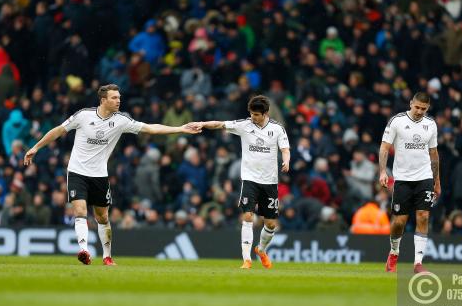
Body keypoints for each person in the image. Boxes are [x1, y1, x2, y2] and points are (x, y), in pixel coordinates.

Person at [24, 84, 199, 265]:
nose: (118, 100)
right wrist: (36, 147)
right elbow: (59, 130)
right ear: (103, 100)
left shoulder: (121, 120)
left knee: (102, 217)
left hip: (99, 175)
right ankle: (84, 250)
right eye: (114, 98)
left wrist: (180, 129)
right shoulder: (83, 115)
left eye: (119, 97)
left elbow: (150, 128)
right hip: (77, 172)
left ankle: (107, 256)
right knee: (80, 211)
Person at [195, 95, 290, 269]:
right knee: (247, 216)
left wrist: (286, 161)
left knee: (270, 224)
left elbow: (285, 148)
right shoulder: (244, 125)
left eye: (256, 115)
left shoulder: (277, 129)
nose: (253, 117)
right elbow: (220, 124)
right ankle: (246, 259)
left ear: (265, 113)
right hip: (249, 178)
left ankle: (261, 250)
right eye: (251, 114)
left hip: (270, 181)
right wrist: (203, 124)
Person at [378, 92, 440, 273]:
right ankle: (394, 251)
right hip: (403, 179)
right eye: (417, 107)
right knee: (399, 222)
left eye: (424, 108)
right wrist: (382, 171)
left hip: (425, 177)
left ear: (427, 108)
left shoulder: (431, 125)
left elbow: (434, 155)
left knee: (423, 216)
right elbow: (384, 147)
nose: (420, 111)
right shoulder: (397, 121)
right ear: (411, 103)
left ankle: (418, 263)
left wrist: (437, 181)